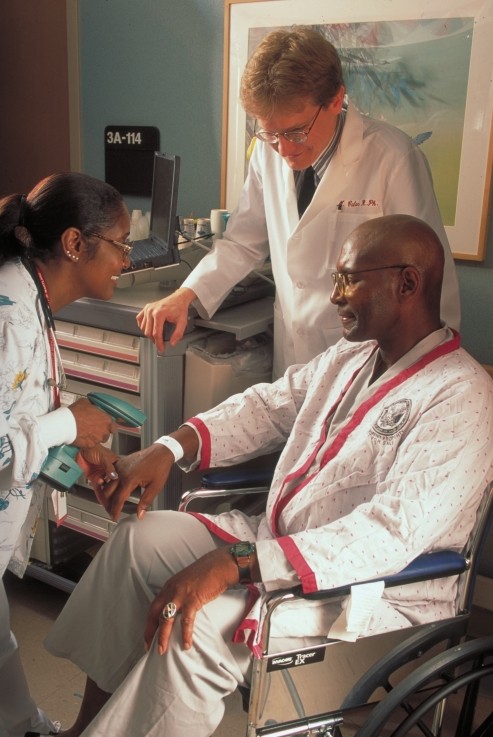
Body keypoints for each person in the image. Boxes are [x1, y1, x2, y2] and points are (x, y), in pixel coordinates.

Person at [44, 214, 493, 737]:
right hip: (277, 546)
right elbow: (266, 407)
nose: (335, 297)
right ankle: (86, 727)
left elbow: (389, 535)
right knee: (134, 542)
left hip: (368, 596)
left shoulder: (461, 397)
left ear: (407, 283)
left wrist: (237, 563)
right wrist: (167, 448)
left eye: (350, 279)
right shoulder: (351, 358)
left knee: (194, 629)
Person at [137, 27, 461, 377]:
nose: (284, 148)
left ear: (335, 100)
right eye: (270, 133)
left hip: (370, 362)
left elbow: (429, 278)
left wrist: (429, 379)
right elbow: (243, 243)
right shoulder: (267, 153)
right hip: (293, 354)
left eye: (295, 131)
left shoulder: (393, 157)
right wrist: (186, 294)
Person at [0, 172, 131, 737]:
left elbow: (17, 408)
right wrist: (64, 422)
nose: (128, 259)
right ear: (76, 244)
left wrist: (72, 435)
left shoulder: (31, 296)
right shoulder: (9, 313)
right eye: (121, 244)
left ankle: (25, 725)